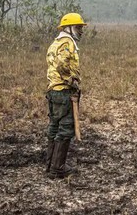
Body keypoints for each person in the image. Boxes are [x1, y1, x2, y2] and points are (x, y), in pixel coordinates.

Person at [45, 12, 87, 178]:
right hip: (63, 91)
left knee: (54, 126)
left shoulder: (55, 43)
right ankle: (57, 168)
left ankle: (50, 165)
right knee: (65, 128)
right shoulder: (67, 43)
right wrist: (72, 81)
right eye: (78, 27)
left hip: (53, 90)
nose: (81, 30)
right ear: (69, 28)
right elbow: (63, 64)